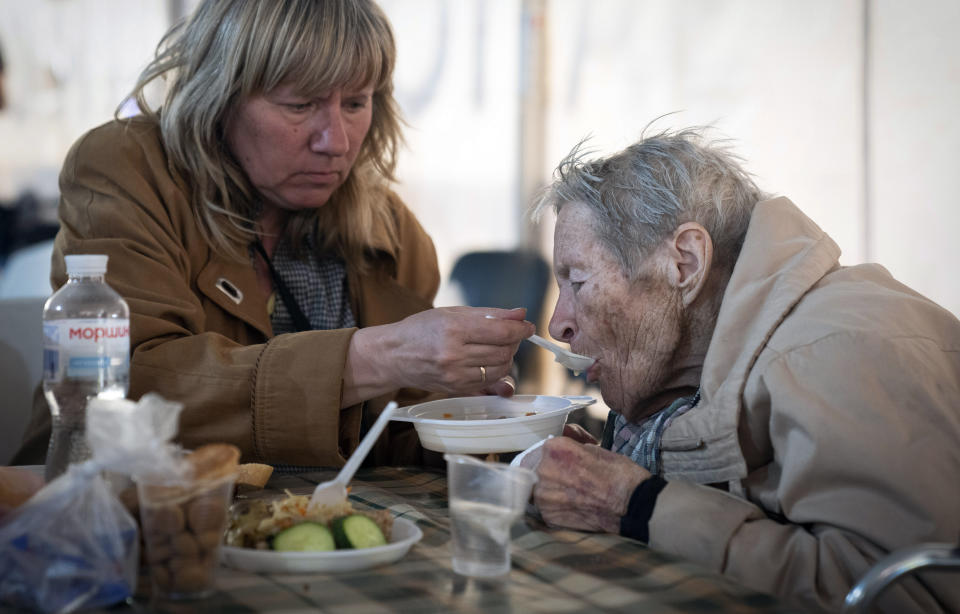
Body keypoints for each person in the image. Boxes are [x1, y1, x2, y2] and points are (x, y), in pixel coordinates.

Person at [14, 0, 534, 468]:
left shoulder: (391, 234)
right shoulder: (126, 171)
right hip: (115, 519)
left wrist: (503, 441)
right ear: (219, 96)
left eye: (356, 103)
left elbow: (387, 435)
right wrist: (375, 355)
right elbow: (122, 392)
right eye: (300, 104)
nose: (334, 141)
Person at [525, 127, 960, 613]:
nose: (558, 323)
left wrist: (636, 504)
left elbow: (904, 594)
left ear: (684, 264)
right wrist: (617, 476)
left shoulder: (835, 352)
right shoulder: (709, 365)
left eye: (579, 281)